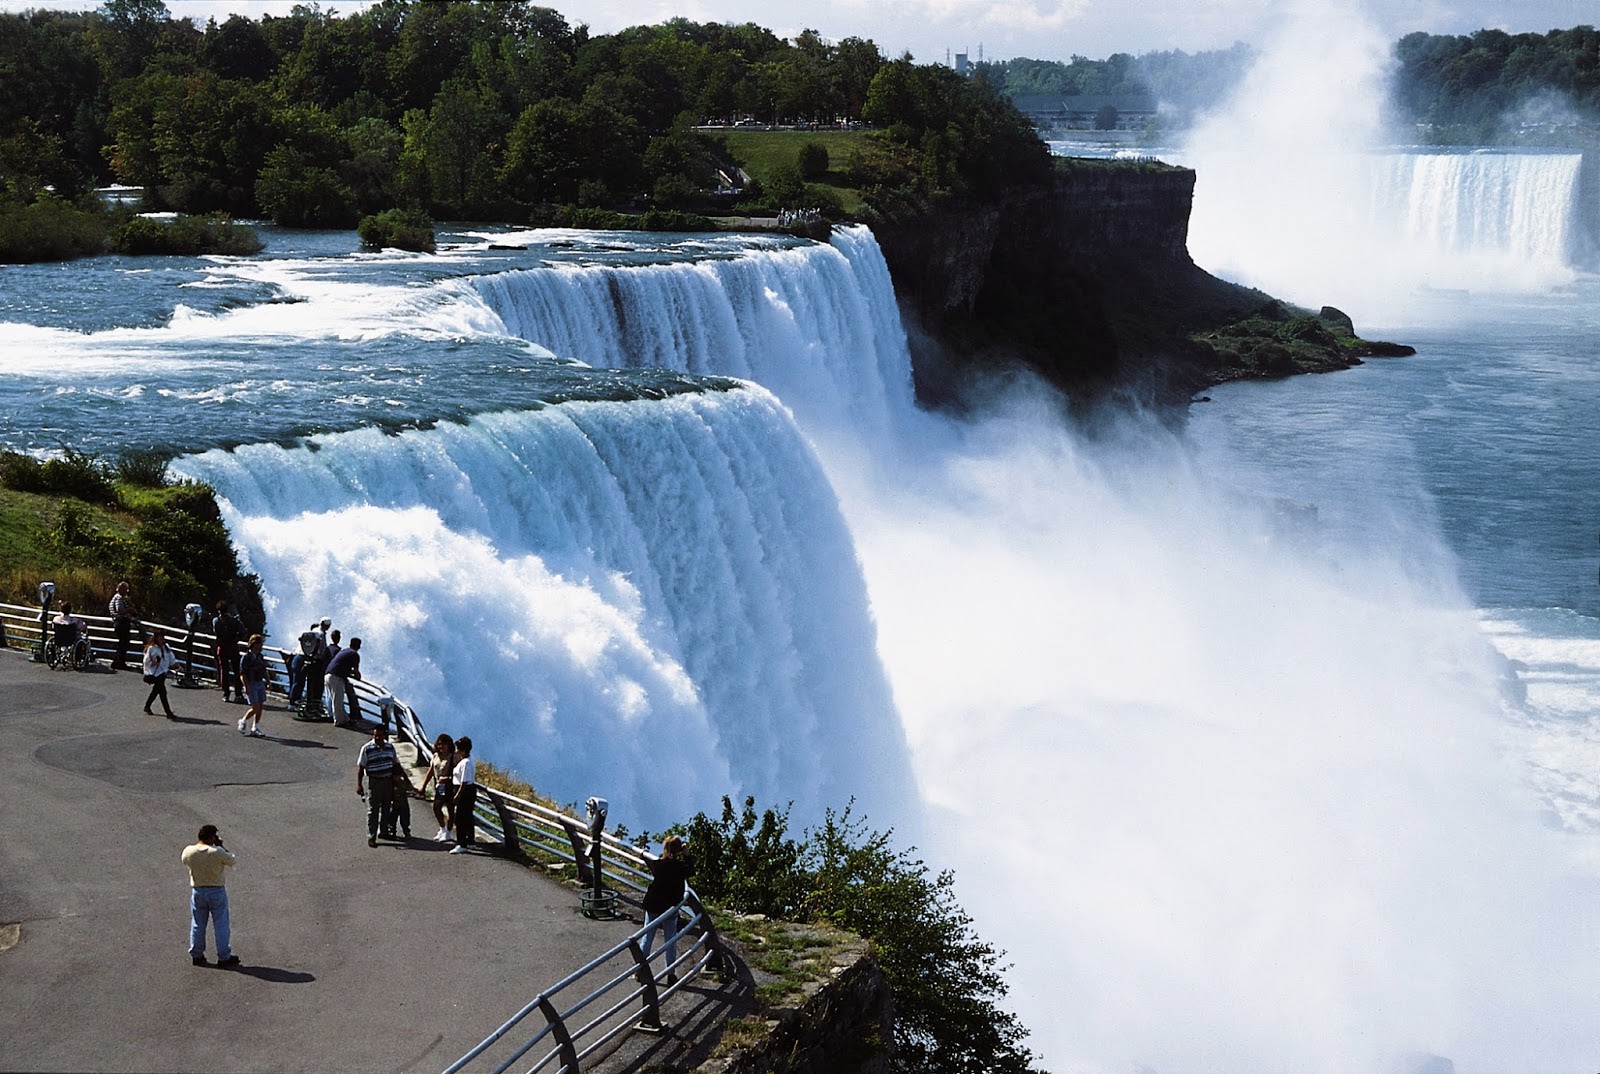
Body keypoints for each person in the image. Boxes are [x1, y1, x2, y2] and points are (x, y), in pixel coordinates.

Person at [181, 824, 239, 967]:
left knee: (198, 924)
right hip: (216, 891)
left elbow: (184, 861)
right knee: (221, 924)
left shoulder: (189, 851)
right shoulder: (217, 852)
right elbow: (232, 860)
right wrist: (221, 846)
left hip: (198, 891)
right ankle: (224, 957)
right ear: (212, 837)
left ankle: (197, 954)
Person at [640, 836, 694, 985]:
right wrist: (687, 854)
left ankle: (640, 971)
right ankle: (670, 974)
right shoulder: (680, 868)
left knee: (647, 937)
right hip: (670, 908)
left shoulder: (658, 865)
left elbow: (654, 861)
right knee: (670, 941)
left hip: (652, 905)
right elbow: (691, 869)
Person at [356, 725, 398, 848]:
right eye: (375, 735)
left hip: (387, 780)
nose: (378, 737)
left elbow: (395, 763)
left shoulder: (390, 748)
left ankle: (383, 831)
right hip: (374, 781)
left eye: (380, 735)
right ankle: (371, 836)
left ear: (384, 735)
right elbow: (361, 768)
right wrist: (359, 784)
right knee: (373, 810)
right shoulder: (367, 749)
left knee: (386, 808)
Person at [418, 734, 455, 841]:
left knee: (450, 809)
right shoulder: (435, 756)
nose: (441, 747)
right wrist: (423, 785)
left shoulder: (453, 757)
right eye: (439, 744)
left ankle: (448, 832)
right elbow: (431, 771)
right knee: (436, 807)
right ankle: (442, 828)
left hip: (450, 786)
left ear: (449, 745)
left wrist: (447, 778)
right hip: (439, 786)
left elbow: (458, 774)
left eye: (443, 744)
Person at [211, 602, 245, 702]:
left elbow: (215, 632)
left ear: (218, 610)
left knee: (224, 671)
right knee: (237, 671)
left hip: (222, 648)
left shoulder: (216, 621)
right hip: (233, 648)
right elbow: (243, 632)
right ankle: (238, 694)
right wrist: (236, 639)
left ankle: (226, 694)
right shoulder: (234, 621)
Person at [325, 636, 362, 727]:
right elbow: (356, 672)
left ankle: (344, 719)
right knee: (337, 700)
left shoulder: (344, 651)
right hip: (336, 677)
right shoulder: (354, 654)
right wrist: (357, 676)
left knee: (336, 700)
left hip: (328, 675)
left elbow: (342, 665)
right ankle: (338, 721)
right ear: (359, 647)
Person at [448, 737, 477, 854]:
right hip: (470, 790)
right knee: (468, 816)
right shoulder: (470, 760)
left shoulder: (465, 763)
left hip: (464, 791)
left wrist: (457, 796)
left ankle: (461, 843)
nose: (457, 751)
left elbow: (464, 782)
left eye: (458, 749)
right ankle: (470, 840)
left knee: (460, 818)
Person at [237, 634, 269, 737]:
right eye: (256, 645)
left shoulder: (260, 657)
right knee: (255, 707)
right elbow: (242, 674)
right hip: (251, 683)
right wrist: (246, 686)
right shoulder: (246, 658)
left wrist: (268, 682)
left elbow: (264, 670)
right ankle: (243, 721)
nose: (258, 648)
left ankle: (255, 727)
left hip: (260, 683)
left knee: (260, 706)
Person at [142, 628, 177, 719]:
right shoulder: (151, 648)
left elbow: (172, 659)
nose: (162, 640)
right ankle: (168, 712)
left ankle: (147, 706)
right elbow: (146, 662)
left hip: (162, 673)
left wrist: (177, 666)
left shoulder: (166, 647)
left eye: (163, 638)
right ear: (156, 638)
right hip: (153, 673)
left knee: (156, 691)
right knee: (162, 692)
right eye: (160, 638)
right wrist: (153, 662)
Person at [108, 581, 138, 670]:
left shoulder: (116, 598)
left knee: (122, 643)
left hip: (119, 622)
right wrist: (130, 610)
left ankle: (116, 661)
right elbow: (119, 610)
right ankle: (120, 663)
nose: (126, 592)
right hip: (121, 623)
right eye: (125, 590)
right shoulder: (119, 598)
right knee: (124, 643)